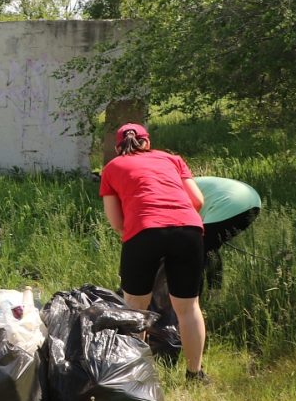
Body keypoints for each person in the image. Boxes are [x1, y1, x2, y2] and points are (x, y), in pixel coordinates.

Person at [100, 123, 208, 383]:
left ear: (118, 147)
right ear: (147, 142)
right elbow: (197, 201)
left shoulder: (112, 168)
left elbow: (116, 222)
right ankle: (195, 374)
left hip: (144, 231)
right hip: (188, 230)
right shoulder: (172, 159)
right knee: (188, 306)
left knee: (136, 308)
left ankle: (138, 376)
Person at [194, 176, 262, 292]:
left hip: (229, 203)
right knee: (208, 248)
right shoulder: (180, 183)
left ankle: (193, 301)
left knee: (196, 251)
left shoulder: (167, 192)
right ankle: (214, 296)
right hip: (252, 201)